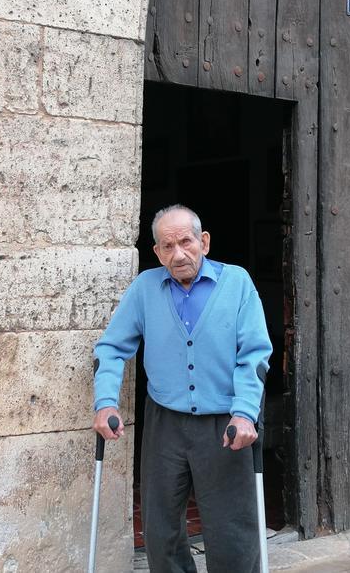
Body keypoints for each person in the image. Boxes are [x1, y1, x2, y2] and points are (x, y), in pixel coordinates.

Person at [92, 204, 273, 572]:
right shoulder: (145, 288)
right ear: (157, 252)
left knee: (232, 533)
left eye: (186, 242)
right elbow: (110, 348)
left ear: (203, 242)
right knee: (160, 532)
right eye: (167, 246)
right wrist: (105, 402)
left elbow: (254, 355)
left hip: (224, 421)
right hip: (165, 424)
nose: (179, 254)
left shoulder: (236, 283)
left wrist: (245, 412)